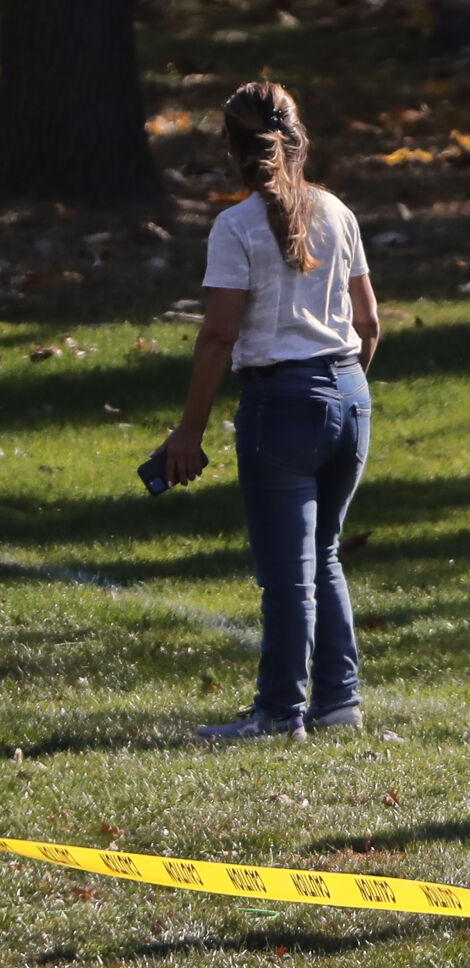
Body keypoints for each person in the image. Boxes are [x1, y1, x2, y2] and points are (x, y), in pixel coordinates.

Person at [155, 82, 379, 742]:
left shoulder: (235, 228)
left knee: (287, 573)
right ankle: (339, 703)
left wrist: (188, 430)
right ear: (296, 136)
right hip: (349, 394)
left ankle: (280, 712)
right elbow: (369, 322)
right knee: (325, 553)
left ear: (228, 146)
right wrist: (340, 394)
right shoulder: (338, 212)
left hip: (280, 404)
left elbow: (219, 334)